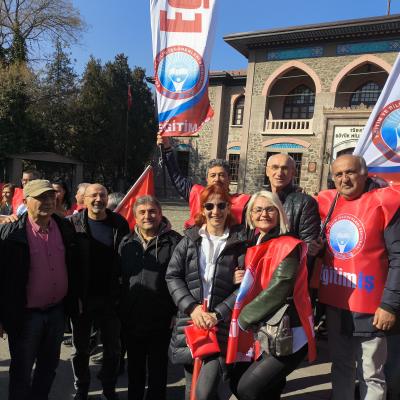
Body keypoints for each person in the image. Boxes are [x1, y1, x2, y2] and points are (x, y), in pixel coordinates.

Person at [312, 154, 400, 400]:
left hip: (372, 309)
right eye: (338, 174)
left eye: (350, 172)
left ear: (364, 174)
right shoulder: (329, 204)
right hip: (336, 304)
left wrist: (389, 305)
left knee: (371, 375)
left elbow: (398, 258)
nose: (344, 179)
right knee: (341, 367)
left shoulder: (385, 203)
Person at [227, 191, 316, 400]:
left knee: (247, 389)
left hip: (289, 333)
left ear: (279, 213)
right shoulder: (256, 242)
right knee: (264, 389)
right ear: (250, 215)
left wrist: (242, 319)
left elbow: (280, 287)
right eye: (258, 209)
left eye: (270, 209)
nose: (264, 214)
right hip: (265, 328)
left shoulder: (288, 245)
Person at [166, 182, 247, 400]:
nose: (215, 211)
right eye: (209, 206)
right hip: (191, 322)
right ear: (202, 209)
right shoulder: (190, 240)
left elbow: (244, 288)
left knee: (208, 390)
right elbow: (173, 276)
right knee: (191, 386)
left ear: (228, 208)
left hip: (220, 325)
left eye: (221, 205)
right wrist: (192, 309)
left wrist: (218, 314)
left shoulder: (239, 243)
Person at [0, 179, 77, 400]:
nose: (48, 201)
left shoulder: (65, 228)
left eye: (51, 196)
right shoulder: (10, 233)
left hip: (56, 313)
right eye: (41, 197)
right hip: (25, 316)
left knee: (48, 367)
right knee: (22, 372)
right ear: (25, 202)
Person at [68, 183, 130, 400]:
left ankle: (108, 389)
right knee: (81, 349)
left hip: (111, 299)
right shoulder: (72, 224)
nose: (98, 199)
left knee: (113, 349)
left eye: (102, 195)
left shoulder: (119, 223)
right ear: (84, 200)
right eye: (93, 195)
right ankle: (82, 388)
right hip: (82, 299)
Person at [119, 195, 182, 400]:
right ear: (135, 216)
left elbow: (183, 279)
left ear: (160, 214)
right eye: (142, 212)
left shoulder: (176, 242)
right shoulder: (126, 242)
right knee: (134, 369)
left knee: (158, 370)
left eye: (152, 211)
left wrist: (177, 312)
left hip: (162, 319)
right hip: (132, 318)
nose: (148, 216)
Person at [157, 135, 250, 228]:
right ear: (207, 179)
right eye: (213, 175)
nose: (217, 179)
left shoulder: (242, 202)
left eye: (221, 175)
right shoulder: (197, 194)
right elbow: (176, 176)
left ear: (229, 178)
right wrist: (167, 148)